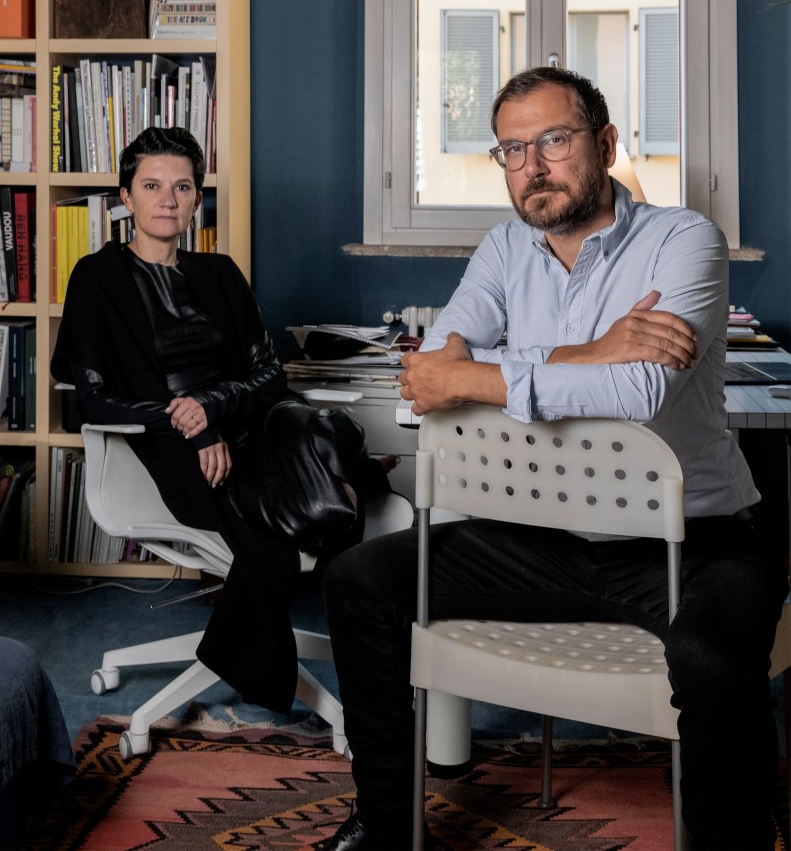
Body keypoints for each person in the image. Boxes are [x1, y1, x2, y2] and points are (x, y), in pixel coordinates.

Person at [315, 67, 789, 851]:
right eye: (510, 149)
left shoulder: (684, 240)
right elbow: (429, 373)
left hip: (693, 544)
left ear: (603, 143)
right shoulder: (504, 247)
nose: (532, 166)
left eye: (553, 141)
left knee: (710, 656)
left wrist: (494, 369)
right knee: (358, 580)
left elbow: (637, 391)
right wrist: (591, 350)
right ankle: (384, 824)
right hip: (538, 539)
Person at [51, 125, 388, 715]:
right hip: (169, 447)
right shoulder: (97, 279)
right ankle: (263, 667)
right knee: (278, 541)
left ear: (197, 199)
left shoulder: (221, 274)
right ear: (125, 198)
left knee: (318, 496)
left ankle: (239, 643)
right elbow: (94, 400)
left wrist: (212, 407)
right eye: (151, 185)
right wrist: (191, 424)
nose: (168, 199)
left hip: (248, 427)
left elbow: (269, 375)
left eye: (183, 187)